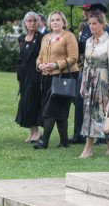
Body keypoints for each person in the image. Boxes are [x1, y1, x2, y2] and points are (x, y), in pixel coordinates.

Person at [34, 11, 79, 149]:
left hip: (63, 76)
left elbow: (74, 57)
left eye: (58, 20)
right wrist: (40, 65)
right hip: (48, 77)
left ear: (63, 22)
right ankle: (64, 142)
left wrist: (56, 65)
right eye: (52, 20)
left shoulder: (69, 36)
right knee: (59, 112)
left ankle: (44, 142)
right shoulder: (46, 37)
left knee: (50, 110)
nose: (55, 22)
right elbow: (40, 56)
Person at [79, 11, 109, 158]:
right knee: (89, 112)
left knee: (101, 113)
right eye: (90, 23)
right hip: (90, 79)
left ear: (103, 24)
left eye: (94, 23)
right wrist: (83, 83)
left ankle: (89, 148)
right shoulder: (89, 41)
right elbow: (85, 64)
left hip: (103, 81)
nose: (91, 26)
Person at [70, 3, 109, 145]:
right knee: (81, 102)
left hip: (101, 73)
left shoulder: (108, 32)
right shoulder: (86, 28)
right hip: (86, 70)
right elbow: (82, 50)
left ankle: (102, 136)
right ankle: (79, 133)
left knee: (100, 105)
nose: (88, 14)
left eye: (91, 12)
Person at [15, 12, 43, 142]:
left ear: (38, 23)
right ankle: (31, 131)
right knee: (25, 102)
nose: (32, 23)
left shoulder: (42, 38)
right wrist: (19, 78)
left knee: (33, 102)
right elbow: (20, 59)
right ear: (25, 23)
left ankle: (36, 131)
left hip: (36, 74)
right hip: (24, 75)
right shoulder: (21, 38)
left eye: (34, 21)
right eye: (29, 21)